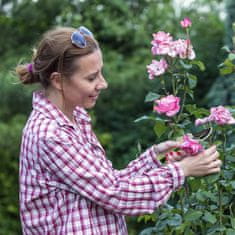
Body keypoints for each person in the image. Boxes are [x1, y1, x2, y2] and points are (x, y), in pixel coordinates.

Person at [16, 26, 221, 235]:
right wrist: (182, 170)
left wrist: (156, 156)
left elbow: (107, 183)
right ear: (58, 80)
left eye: (100, 74)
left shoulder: (75, 119)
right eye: (91, 78)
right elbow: (115, 194)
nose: (103, 84)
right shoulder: (51, 135)